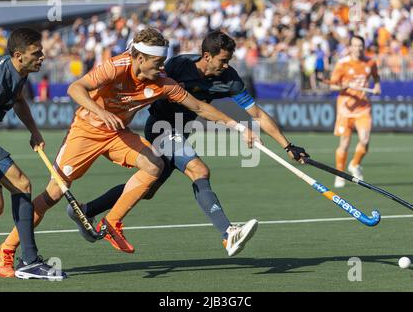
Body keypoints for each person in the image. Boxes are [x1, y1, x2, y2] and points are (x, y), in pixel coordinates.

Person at [0, 27, 260, 275]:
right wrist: (100, 112)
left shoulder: (163, 82)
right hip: (85, 132)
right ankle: (7, 249)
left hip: (117, 134)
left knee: (154, 165)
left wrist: (237, 126)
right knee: (53, 194)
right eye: (157, 63)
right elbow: (75, 88)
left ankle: (112, 222)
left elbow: (200, 108)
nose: (162, 69)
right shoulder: (116, 66)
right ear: (140, 58)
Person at [71, 31, 309, 257]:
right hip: (161, 127)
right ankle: (229, 234)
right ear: (207, 56)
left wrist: (288, 146)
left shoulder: (229, 79)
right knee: (199, 170)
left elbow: (257, 114)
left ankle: (86, 210)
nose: (226, 66)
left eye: (229, 61)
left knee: (147, 189)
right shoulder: (177, 65)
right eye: (223, 60)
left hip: (182, 132)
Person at [0, 28, 66, 280]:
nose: (42, 57)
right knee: (22, 184)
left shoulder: (18, 71)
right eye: (36, 53)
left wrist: (34, 131)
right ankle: (29, 261)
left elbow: (18, 100)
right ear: (18, 55)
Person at [329, 35, 381, 188]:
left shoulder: (370, 62)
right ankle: (340, 174)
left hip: (363, 107)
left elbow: (376, 77)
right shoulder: (342, 63)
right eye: (355, 45)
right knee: (344, 143)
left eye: (360, 46)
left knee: (365, 140)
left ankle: (355, 164)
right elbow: (333, 85)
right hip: (345, 109)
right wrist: (343, 86)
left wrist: (377, 86)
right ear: (350, 47)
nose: (358, 48)